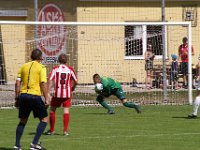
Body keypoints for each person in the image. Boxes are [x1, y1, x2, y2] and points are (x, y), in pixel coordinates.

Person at [14, 49, 50, 150]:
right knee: (44, 119)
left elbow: (17, 83)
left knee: (23, 120)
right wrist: (47, 97)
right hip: (34, 96)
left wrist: (17, 98)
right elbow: (43, 83)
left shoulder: (23, 66)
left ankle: (17, 145)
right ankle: (34, 144)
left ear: (31, 56)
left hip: (23, 96)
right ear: (41, 58)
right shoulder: (41, 67)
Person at [45, 53, 77, 136]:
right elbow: (76, 80)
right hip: (67, 94)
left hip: (58, 94)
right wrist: (73, 87)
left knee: (52, 110)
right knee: (66, 110)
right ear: (66, 61)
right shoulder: (70, 69)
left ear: (58, 60)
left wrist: (48, 92)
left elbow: (51, 80)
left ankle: (52, 130)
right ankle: (65, 131)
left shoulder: (55, 69)